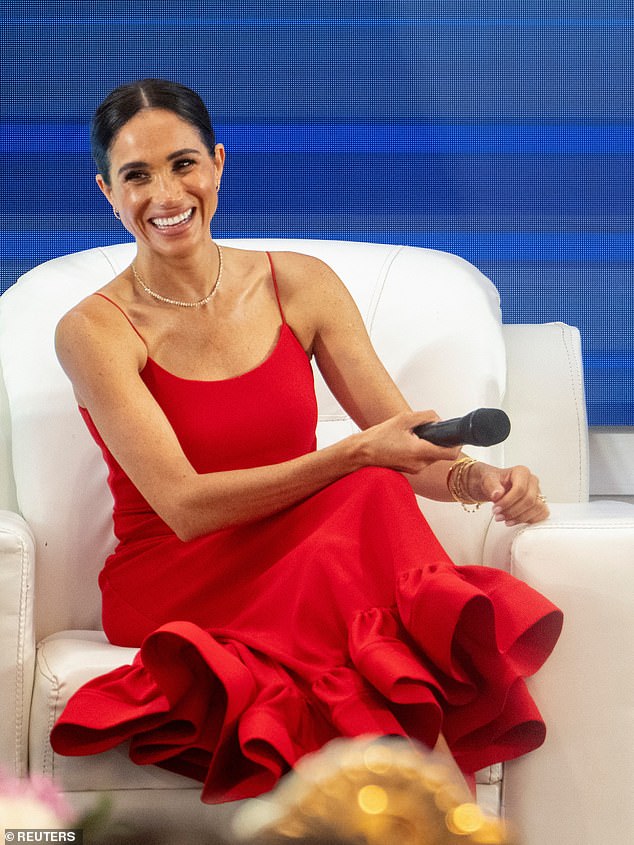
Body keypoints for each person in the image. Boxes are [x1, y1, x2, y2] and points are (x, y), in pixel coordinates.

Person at [50, 79, 562, 804]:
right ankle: (441, 807)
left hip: (302, 555)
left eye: (183, 163)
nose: (166, 193)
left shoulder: (301, 284)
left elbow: (404, 440)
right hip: (175, 571)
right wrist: (354, 452)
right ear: (108, 190)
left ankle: (404, 801)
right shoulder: (92, 329)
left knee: (374, 491)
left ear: (218, 164)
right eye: (137, 175)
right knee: (364, 487)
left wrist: (480, 480)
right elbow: (184, 505)